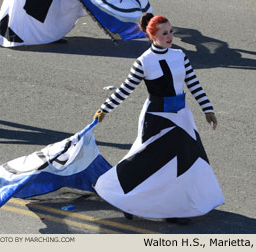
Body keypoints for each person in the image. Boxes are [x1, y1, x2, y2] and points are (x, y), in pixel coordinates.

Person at [93, 13, 224, 224]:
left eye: (171, 32)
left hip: (182, 118)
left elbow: (194, 85)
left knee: (186, 161)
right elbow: (125, 89)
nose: (170, 36)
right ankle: (122, 197)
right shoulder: (144, 62)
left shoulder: (180, 56)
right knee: (147, 163)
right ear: (153, 35)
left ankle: (174, 208)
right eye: (164, 33)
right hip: (157, 120)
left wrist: (207, 110)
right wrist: (104, 109)